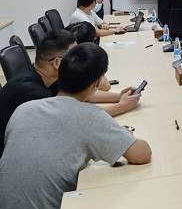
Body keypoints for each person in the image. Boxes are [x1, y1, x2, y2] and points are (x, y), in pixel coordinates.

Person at [0, 43, 151, 209]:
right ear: (97, 82)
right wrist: (124, 134)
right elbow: (142, 154)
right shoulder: (90, 117)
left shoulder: (23, 109)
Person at [0, 30, 141, 158]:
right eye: (73, 56)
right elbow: (75, 118)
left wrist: (118, 97)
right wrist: (123, 106)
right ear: (57, 62)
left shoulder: (47, 74)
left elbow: (82, 94)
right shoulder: (33, 93)